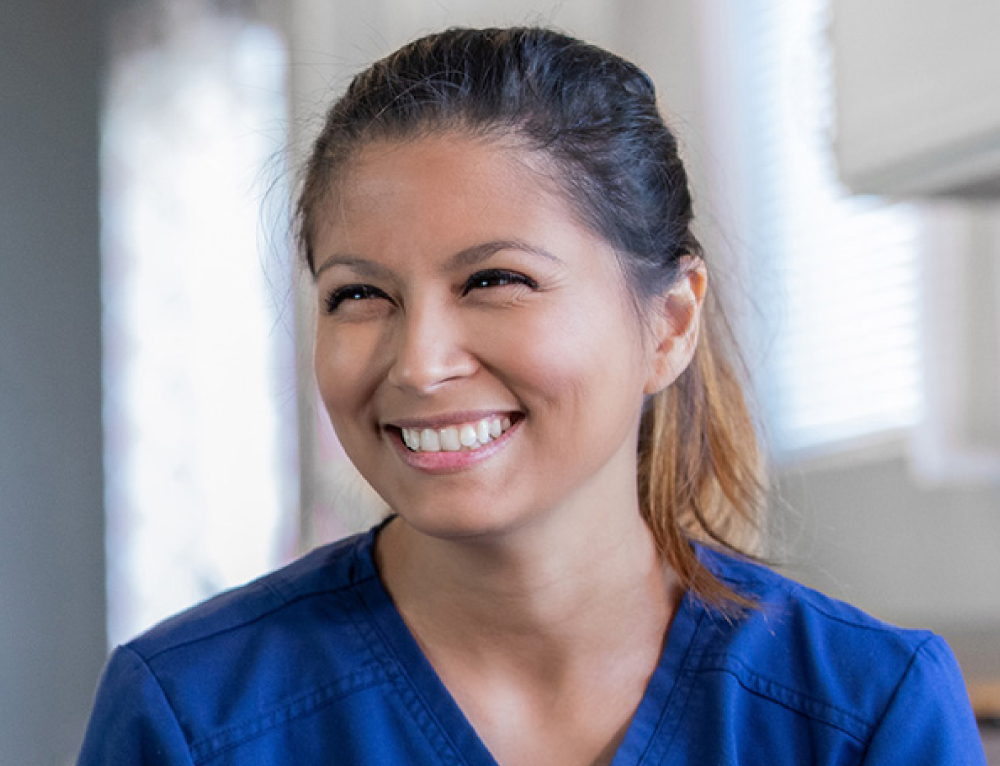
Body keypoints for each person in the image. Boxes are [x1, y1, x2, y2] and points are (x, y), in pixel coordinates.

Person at [77, 26, 987, 765]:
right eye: (359, 295)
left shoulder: (865, 710)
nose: (420, 364)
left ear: (668, 323)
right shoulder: (191, 715)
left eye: (495, 281)